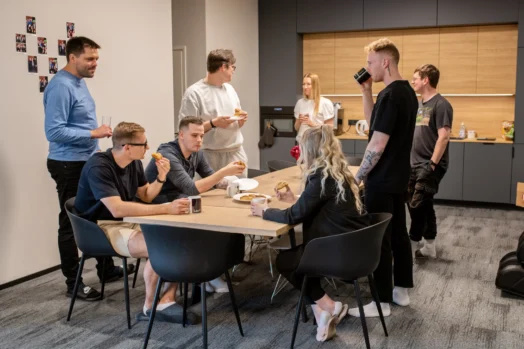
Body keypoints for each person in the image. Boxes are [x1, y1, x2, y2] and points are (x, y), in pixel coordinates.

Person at [251, 125, 370, 342]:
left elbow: (292, 218)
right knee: (296, 259)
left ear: (310, 149)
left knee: (286, 262)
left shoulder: (319, 177)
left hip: (336, 252)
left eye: (301, 147)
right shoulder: (336, 172)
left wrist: (264, 211)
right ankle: (323, 311)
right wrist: (293, 200)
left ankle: (329, 306)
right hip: (354, 247)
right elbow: (315, 205)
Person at [75, 121, 198, 324]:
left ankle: (167, 300)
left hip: (125, 222)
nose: (148, 148)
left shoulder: (134, 164)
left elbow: (146, 196)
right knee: (162, 246)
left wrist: (161, 178)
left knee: (178, 237)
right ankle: (149, 308)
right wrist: (166, 208)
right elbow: (117, 208)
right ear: (127, 147)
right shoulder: (98, 166)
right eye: (144, 144)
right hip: (99, 228)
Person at [45, 36, 127, 302]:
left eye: (97, 59)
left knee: (98, 213)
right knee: (72, 222)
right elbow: (54, 131)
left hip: (86, 160)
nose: (95, 64)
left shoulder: (78, 83)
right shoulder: (61, 86)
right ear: (72, 58)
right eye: (90, 59)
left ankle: (106, 269)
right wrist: (93, 133)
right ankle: (74, 282)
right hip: (68, 163)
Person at [349, 38, 418, 318]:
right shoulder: (405, 93)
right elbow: (373, 127)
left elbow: (376, 146)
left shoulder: (391, 96)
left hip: (381, 179)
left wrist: (356, 178)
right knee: (399, 234)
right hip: (399, 178)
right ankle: (401, 291)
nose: (367, 67)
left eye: (370, 62)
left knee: (380, 239)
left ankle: (380, 303)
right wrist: (366, 92)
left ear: (385, 62)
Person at [144, 116, 244, 293]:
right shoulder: (168, 154)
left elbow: (210, 178)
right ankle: (205, 274)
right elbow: (191, 188)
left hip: (181, 202)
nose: (199, 140)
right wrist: (224, 171)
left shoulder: (196, 152)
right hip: (159, 207)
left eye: (202, 136)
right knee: (208, 225)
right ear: (181, 135)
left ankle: (213, 271)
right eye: (194, 135)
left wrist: (234, 182)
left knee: (223, 220)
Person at [178, 49, 248, 177]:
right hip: (208, 156)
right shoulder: (194, 93)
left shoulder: (230, 90)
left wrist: (240, 121)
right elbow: (185, 131)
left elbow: (235, 124)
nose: (233, 71)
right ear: (223, 67)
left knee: (239, 194)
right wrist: (213, 123)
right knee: (208, 195)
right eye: (233, 67)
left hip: (235, 152)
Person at [409, 64, 453, 259]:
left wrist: (432, 165)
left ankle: (411, 243)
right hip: (414, 163)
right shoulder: (420, 104)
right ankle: (429, 245)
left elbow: (444, 137)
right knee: (421, 204)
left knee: (417, 204)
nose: (413, 81)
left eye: (415, 78)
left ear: (426, 80)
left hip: (429, 165)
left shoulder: (441, 104)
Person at [294, 73, 334, 143]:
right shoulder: (300, 103)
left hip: (318, 144)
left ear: (315, 86)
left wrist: (313, 125)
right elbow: (296, 128)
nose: (305, 87)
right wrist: (299, 121)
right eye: (303, 84)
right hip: (301, 144)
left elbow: (330, 128)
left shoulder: (325, 103)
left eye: (308, 84)